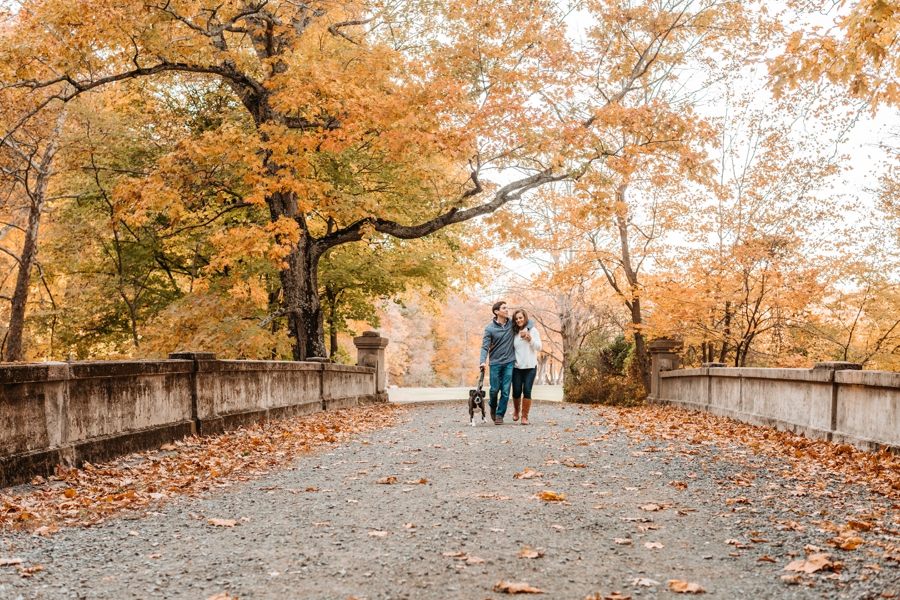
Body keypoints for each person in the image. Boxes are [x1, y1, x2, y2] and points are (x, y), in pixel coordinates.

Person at [479, 300, 526, 425]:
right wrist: (482, 361)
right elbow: (484, 347)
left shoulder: (512, 323)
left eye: (507, 308)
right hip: (495, 363)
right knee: (494, 390)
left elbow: (528, 321)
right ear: (496, 311)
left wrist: (526, 328)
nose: (507, 310)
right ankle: (493, 406)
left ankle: (500, 415)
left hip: (509, 362)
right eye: (504, 308)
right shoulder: (490, 329)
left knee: (505, 390)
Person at [511, 309, 541, 425]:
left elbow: (539, 347)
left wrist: (530, 339)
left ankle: (525, 416)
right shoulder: (513, 332)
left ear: (525, 318)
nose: (519, 320)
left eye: (521, 318)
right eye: (516, 318)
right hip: (517, 367)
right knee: (516, 391)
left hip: (530, 367)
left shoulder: (533, 331)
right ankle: (516, 410)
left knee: (527, 391)